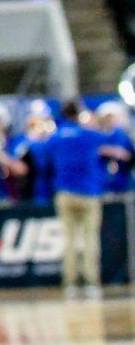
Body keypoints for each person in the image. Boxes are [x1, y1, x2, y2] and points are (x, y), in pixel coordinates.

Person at [47, 101, 109, 298]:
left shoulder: (56, 137)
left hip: (65, 193)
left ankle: (71, 284)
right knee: (90, 239)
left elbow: (43, 151)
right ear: (79, 113)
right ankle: (91, 283)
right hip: (89, 193)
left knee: (69, 240)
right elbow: (108, 136)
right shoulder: (88, 134)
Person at [11, 101, 57, 205]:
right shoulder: (20, 141)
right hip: (29, 194)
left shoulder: (53, 140)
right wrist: (34, 138)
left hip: (52, 192)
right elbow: (18, 167)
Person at [96, 101, 134, 194]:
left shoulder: (121, 135)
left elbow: (128, 155)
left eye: (111, 118)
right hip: (102, 182)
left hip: (122, 180)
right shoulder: (97, 135)